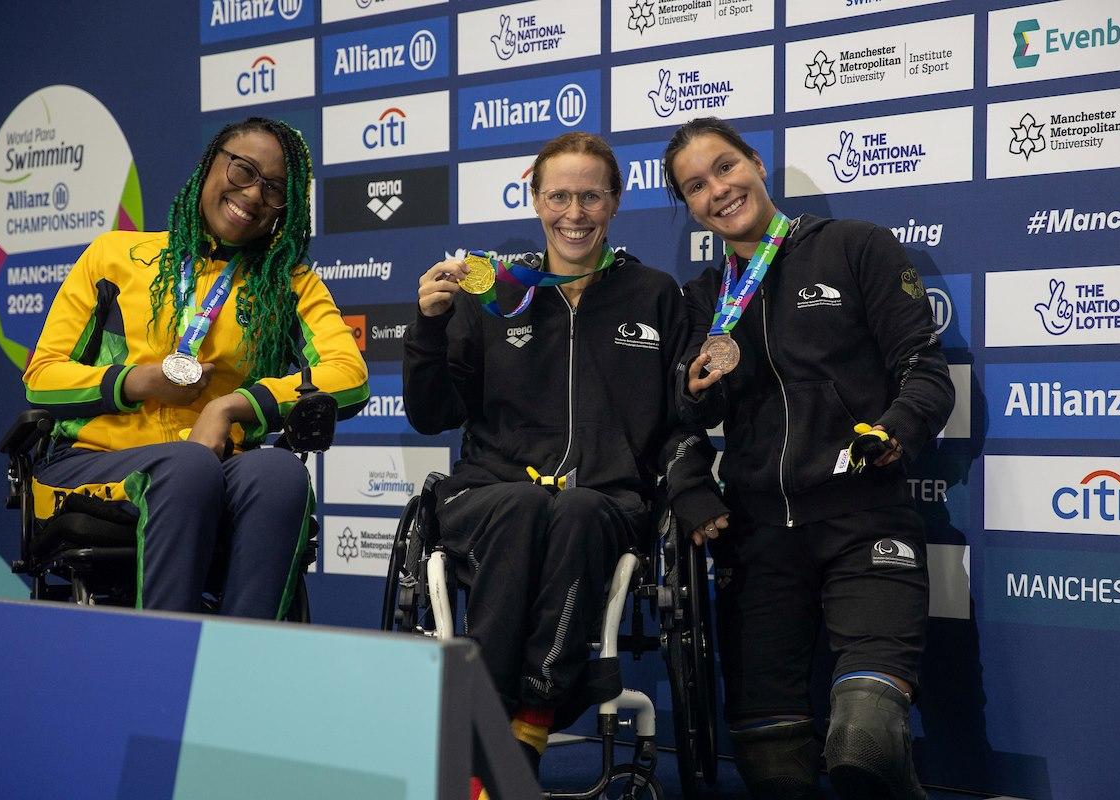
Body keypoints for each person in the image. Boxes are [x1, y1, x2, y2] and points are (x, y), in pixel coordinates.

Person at [403, 131, 724, 788]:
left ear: (614, 201)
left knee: (574, 509)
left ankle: (520, 728)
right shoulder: (494, 292)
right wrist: (429, 328)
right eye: (559, 197)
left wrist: (691, 488)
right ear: (535, 200)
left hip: (604, 500)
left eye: (590, 197)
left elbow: (678, 420)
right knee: (524, 504)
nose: (573, 213)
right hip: (489, 494)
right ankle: (502, 730)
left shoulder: (654, 294)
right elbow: (431, 413)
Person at [662, 117, 955, 800]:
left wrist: (892, 431)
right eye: (696, 187)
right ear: (689, 207)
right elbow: (674, 422)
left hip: (865, 517)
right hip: (758, 539)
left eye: (726, 167)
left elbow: (926, 375)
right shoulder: (703, 299)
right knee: (772, 770)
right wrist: (690, 481)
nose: (718, 190)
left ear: (758, 165)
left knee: (865, 741)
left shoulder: (856, 248)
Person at [24, 117, 369, 620]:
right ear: (212, 164)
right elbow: (42, 378)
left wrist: (235, 406)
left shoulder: (288, 282)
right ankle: (164, 670)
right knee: (186, 468)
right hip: (94, 462)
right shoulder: (115, 255)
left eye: (274, 189)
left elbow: (350, 375)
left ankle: (236, 675)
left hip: (216, 465)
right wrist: (137, 380)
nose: (252, 195)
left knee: (277, 473)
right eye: (243, 171)